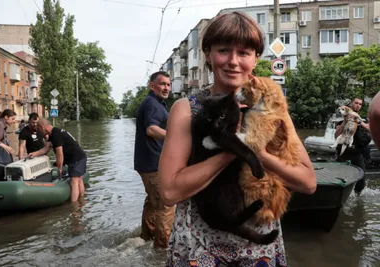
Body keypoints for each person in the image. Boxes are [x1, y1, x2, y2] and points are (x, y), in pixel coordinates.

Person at [158, 12, 317, 266]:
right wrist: (232, 149)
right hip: (202, 247)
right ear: (208, 54)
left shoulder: (273, 107)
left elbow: (308, 183)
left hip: (259, 246)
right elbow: (168, 191)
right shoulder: (188, 109)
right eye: (223, 50)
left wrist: (259, 154)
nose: (233, 61)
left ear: (255, 59)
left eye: (243, 53)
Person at [134, 71, 175, 249]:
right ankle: (162, 251)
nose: (166, 87)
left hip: (149, 163)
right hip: (153, 164)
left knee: (153, 203)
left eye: (168, 84)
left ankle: (146, 238)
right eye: (162, 84)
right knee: (166, 206)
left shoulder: (157, 103)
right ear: (152, 86)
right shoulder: (152, 104)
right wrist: (176, 137)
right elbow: (151, 129)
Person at [28, 118, 87, 202]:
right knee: (78, 179)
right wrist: (34, 154)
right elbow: (46, 148)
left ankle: (74, 208)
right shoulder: (53, 134)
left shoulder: (56, 134)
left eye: (39, 129)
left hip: (77, 158)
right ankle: (81, 202)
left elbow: (60, 153)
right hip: (77, 157)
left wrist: (59, 168)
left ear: (42, 126)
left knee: (74, 181)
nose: (39, 132)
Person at [335, 97, 372, 194]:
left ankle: (357, 197)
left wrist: (359, 121)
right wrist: (345, 122)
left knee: (361, 180)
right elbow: (336, 135)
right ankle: (341, 196)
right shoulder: (342, 115)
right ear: (351, 103)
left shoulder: (363, 117)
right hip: (344, 152)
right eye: (356, 103)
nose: (358, 105)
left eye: (360, 104)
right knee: (341, 178)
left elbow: (370, 129)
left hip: (358, 152)